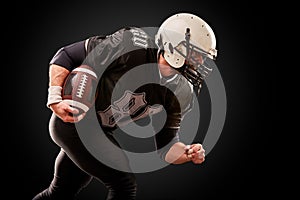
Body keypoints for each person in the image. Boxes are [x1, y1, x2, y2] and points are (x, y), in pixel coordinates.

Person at [33, 12, 218, 200]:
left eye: (203, 57)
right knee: (123, 184)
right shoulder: (131, 45)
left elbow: (166, 145)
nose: (200, 63)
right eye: (197, 54)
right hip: (74, 123)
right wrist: (55, 98)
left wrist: (186, 153)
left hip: (100, 132)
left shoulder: (181, 91)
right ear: (173, 45)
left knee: (59, 192)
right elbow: (66, 55)